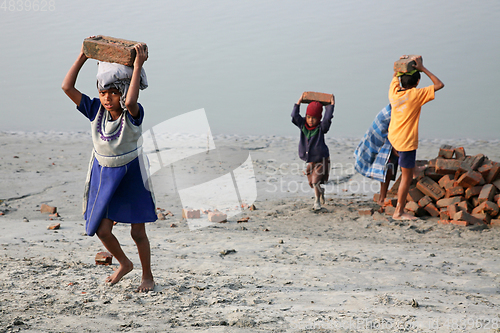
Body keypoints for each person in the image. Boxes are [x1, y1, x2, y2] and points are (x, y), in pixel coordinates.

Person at [61, 42, 157, 292]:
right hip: (104, 174)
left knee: (138, 233)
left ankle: (148, 276)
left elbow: (132, 98)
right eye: (103, 93)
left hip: (132, 175)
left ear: (123, 93)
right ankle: (125, 264)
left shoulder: (132, 113)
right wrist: (83, 55)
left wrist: (137, 65)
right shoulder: (95, 111)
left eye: (113, 93)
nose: (106, 98)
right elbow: (67, 87)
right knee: (102, 230)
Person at [388, 55, 444, 220]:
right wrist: (422, 68)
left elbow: (395, 76)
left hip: (394, 138)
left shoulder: (394, 92)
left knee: (407, 170)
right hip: (406, 142)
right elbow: (439, 85)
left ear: (401, 81)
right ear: (417, 82)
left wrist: (401, 63)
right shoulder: (416, 95)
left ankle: (411, 170)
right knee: (406, 177)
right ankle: (399, 212)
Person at [291, 93, 335, 210]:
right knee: (312, 183)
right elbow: (294, 116)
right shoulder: (302, 125)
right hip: (310, 161)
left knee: (315, 181)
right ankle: (321, 191)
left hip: (321, 160)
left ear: (318, 118)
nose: (311, 120)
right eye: (309, 117)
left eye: (314, 118)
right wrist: (299, 101)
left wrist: (331, 106)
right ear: (306, 116)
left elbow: (327, 119)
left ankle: (316, 202)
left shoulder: (321, 128)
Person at [354, 104, 399, 206]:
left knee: (388, 168)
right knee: (386, 168)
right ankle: (382, 198)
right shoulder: (395, 112)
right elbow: (393, 132)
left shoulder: (397, 104)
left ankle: (382, 197)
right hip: (381, 137)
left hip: (386, 136)